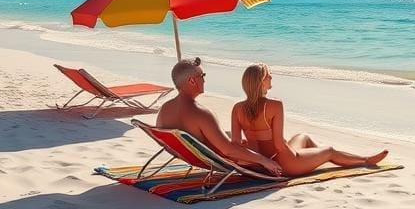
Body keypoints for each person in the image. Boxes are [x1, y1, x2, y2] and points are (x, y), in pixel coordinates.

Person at [231, 63, 388, 177]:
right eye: (268, 75)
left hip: (258, 165)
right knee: (329, 150)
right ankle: (366, 160)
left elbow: (236, 146)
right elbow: (279, 145)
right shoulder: (275, 105)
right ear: (261, 81)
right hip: (284, 164)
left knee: (303, 137)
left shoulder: (237, 108)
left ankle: (319, 158)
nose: (271, 77)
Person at [156, 57, 282, 176]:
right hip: (221, 159)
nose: (204, 80)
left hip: (189, 155)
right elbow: (228, 150)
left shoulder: (164, 109)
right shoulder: (201, 113)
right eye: (202, 76)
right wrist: (265, 161)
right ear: (192, 81)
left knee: (233, 136)